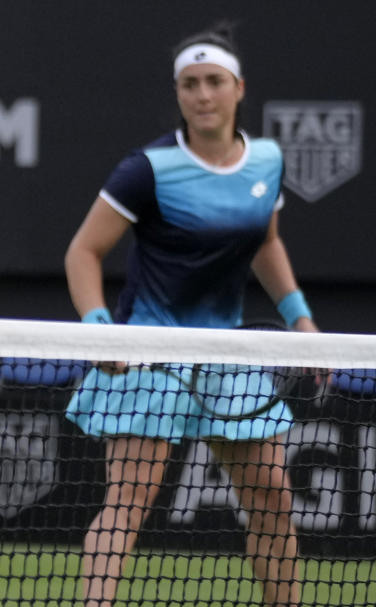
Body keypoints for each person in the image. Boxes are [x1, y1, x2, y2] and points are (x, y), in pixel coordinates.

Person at [63, 24, 313, 607]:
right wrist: (101, 330)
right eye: (190, 84)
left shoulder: (267, 162)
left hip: (229, 351)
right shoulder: (147, 169)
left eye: (214, 82)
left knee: (275, 499)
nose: (203, 94)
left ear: (238, 88)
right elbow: (83, 251)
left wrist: (300, 318)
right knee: (126, 504)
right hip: (149, 352)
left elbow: (267, 243)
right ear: (178, 94)